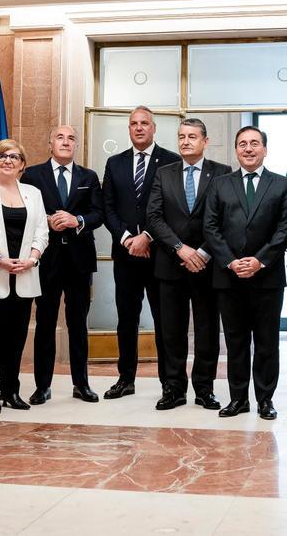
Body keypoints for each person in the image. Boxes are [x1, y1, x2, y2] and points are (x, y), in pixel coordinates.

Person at [203, 126, 287, 420]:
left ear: (265, 149)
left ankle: (265, 400)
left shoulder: (281, 185)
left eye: (255, 143)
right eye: (242, 144)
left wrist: (259, 261)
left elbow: (285, 229)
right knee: (235, 341)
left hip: (267, 277)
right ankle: (238, 399)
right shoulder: (220, 184)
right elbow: (211, 227)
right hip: (229, 276)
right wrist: (231, 261)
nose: (248, 149)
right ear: (236, 150)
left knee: (267, 341)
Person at [146, 118, 231, 410]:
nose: (185, 141)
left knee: (207, 329)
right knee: (171, 330)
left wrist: (204, 253)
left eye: (192, 136)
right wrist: (181, 249)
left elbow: (225, 219)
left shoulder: (222, 173)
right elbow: (154, 217)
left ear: (205, 141)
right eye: (181, 136)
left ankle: (204, 389)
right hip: (171, 263)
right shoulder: (164, 173)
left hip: (208, 266)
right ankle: (173, 388)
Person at [101, 106, 181, 399]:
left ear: (154, 127)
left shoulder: (172, 162)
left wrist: (147, 237)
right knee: (127, 319)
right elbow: (108, 206)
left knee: (165, 321)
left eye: (144, 123)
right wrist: (126, 239)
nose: (138, 128)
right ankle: (126, 379)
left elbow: (173, 208)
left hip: (160, 255)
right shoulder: (115, 163)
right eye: (133, 123)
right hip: (125, 255)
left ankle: (170, 384)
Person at [21, 125, 104, 404]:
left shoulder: (89, 177)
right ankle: (42, 386)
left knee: (78, 323)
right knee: (44, 323)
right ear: (50, 143)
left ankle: (81, 384)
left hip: (79, 261)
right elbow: (24, 211)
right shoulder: (32, 175)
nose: (66, 142)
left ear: (76, 145)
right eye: (60, 137)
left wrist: (76, 220)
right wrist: (45, 220)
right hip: (46, 260)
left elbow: (98, 214)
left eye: (71, 138)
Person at [0, 139, 49, 414]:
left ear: (22, 165)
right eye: (1, 156)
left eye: (14, 157)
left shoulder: (33, 193)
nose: (8, 160)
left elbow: (42, 230)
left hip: (25, 275)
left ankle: (11, 391)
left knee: (16, 339)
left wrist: (33, 258)